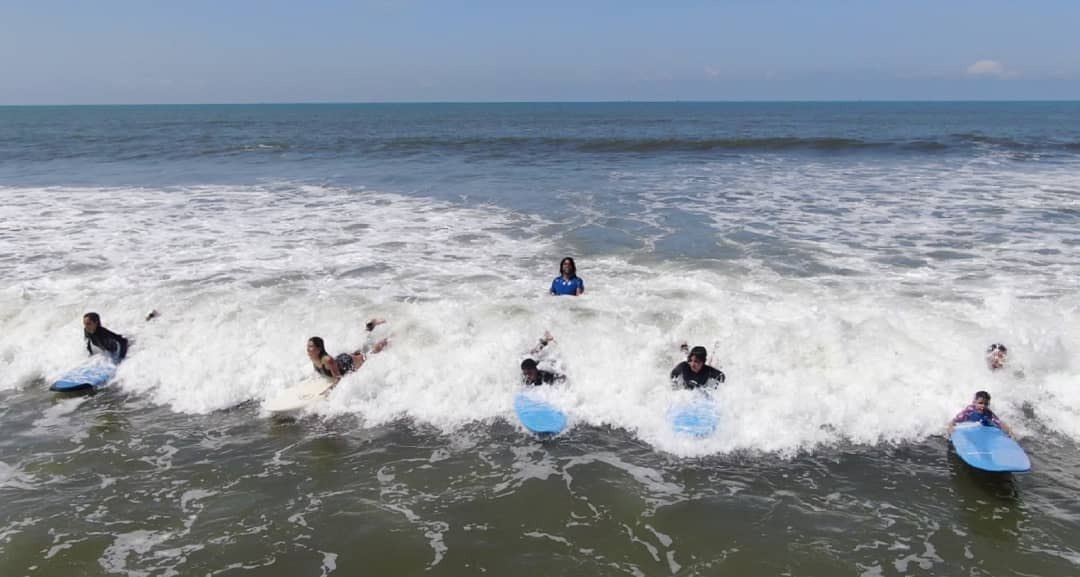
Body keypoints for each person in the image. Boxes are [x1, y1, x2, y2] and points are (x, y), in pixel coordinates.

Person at [308, 318, 389, 394]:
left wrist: (329, 390)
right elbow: (318, 370)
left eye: (311, 346)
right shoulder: (313, 357)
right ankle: (370, 325)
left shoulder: (327, 360)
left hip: (347, 362)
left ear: (319, 349)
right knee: (361, 350)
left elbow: (339, 379)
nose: (308, 349)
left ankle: (389, 338)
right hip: (340, 360)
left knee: (370, 354)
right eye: (308, 346)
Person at [946, 390, 1015, 438]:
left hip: (983, 423)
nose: (983, 406)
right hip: (970, 423)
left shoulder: (987, 412)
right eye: (980, 403)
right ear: (974, 402)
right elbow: (954, 420)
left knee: (993, 425)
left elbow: (999, 422)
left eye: (986, 404)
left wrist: (1009, 431)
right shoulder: (969, 411)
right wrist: (950, 427)